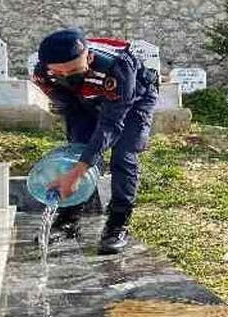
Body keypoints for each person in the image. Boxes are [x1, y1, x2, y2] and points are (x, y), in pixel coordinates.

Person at [32, 28, 159, 254]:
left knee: (123, 154)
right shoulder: (44, 74)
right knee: (78, 151)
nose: (66, 75)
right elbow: (69, 106)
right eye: (59, 72)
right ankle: (69, 219)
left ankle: (118, 223)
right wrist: (80, 160)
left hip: (134, 101)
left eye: (73, 69)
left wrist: (77, 173)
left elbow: (112, 124)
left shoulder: (117, 66)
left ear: (88, 57)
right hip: (84, 102)